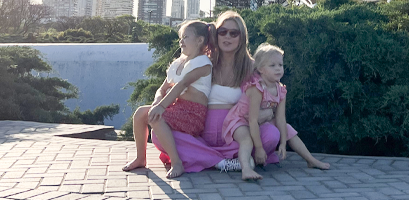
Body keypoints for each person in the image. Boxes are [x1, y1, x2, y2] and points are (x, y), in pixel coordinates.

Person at [150, 11, 282, 173]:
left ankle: (206, 157)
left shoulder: (251, 68)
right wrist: (158, 102)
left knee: (271, 135)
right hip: (201, 133)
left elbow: (270, 98)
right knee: (157, 133)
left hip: (236, 133)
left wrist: (267, 113)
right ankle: (222, 161)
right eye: (223, 32)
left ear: (242, 37)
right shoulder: (203, 62)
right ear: (215, 34)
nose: (227, 37)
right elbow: (170, 86)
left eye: (234, 33)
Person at [223, 43, 330, 180]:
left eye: (280, 65)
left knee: (288, 128)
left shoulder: (281, 90)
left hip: (260, 121)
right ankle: (246, 169)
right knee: (246, 140)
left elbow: (280, 119)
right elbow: (252, 120)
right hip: (241, 120)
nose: (278, 68)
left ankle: (310, 160)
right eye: (272, 65)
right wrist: (259, 148)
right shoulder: (257, 89)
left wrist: (283, 143)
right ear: (261, 69)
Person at [122, 20, 214, 178]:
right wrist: (157, 102)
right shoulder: (179, 63)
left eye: (186, 37)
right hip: (177, 109)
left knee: (157, 118)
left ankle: (177, 163)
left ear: (200, 40)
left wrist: (161, 107)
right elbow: (163, 88)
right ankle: (140, 158)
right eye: (181, 38)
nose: (181, 41)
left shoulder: (203, 63)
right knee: (140, 113)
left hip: (193, 114)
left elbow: (181, 84)